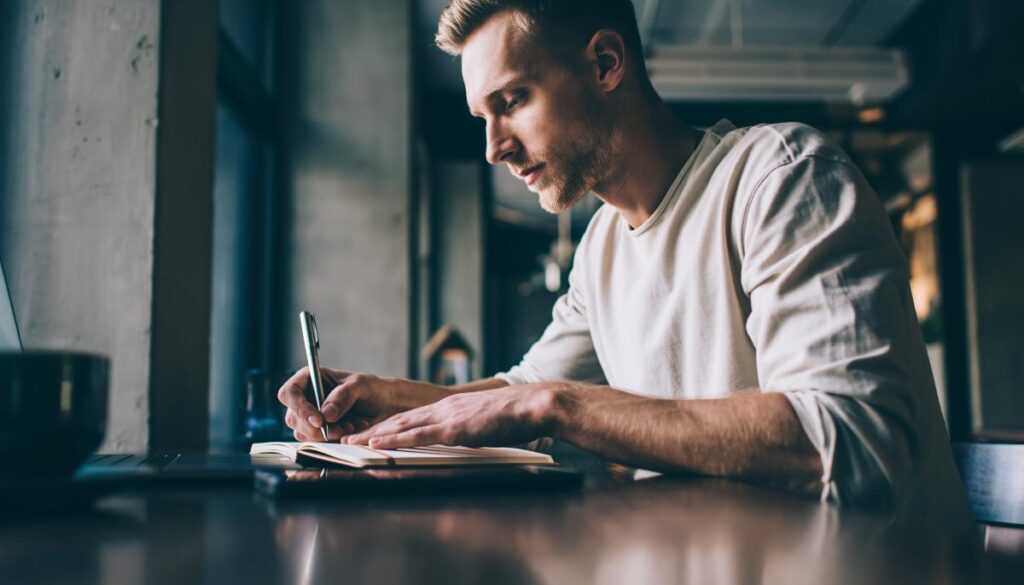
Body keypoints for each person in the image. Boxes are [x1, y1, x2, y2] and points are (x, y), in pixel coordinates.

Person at [278, 0, 965, 514]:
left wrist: (558, 406)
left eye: (512, 100)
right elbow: (522, 393)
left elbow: (852, 441)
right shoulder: (601, 247)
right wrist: (386, 399)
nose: (493, 148)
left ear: (605, 65)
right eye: (480, 118)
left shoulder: (780, 176)